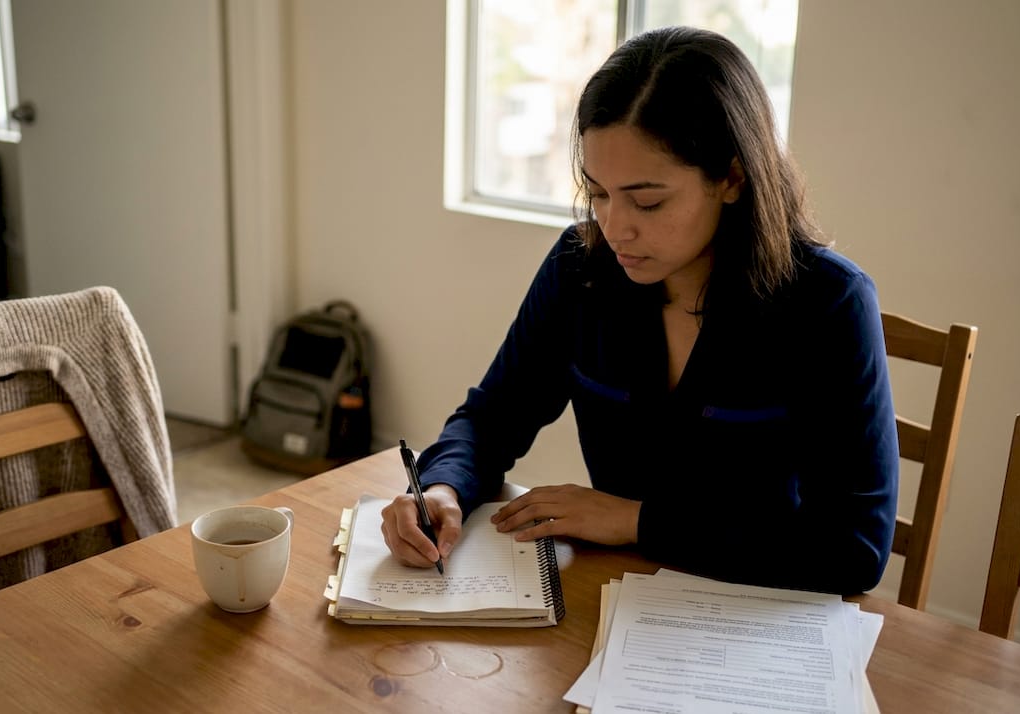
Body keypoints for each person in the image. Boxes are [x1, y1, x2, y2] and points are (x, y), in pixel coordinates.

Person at [382, 26, 899, 595]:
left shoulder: (830, 303)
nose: (614, 227)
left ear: (732, 177)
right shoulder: (580, 269)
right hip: (617, 593)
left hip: (760, 608)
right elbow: (493, 417)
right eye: (598, 193)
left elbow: (855, 549)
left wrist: (636, 521)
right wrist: (442, 488)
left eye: (647, 202)